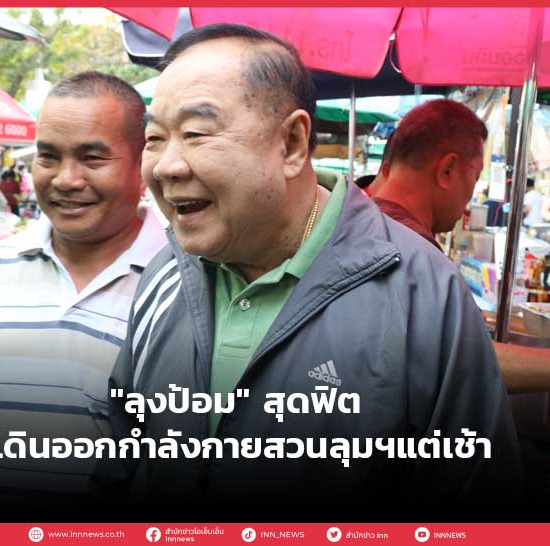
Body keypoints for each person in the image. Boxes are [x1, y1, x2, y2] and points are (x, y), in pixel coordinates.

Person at [103, 24, 523, 510]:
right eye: (155, 137)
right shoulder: (165, 274)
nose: (166, 166)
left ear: (292, 144)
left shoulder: (422, 292)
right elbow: (122, 457)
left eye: (196, 133)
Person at [0, 71, 166, 508]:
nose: (66, 179)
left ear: (143, 164)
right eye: (48, 157)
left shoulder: (184, 285)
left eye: (92, 158)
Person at [373, 99, 550, 403]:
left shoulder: (367, 228)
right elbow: (457, 360)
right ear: (447, 170)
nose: (471, 195)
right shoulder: (408, 254)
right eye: (475, 176)